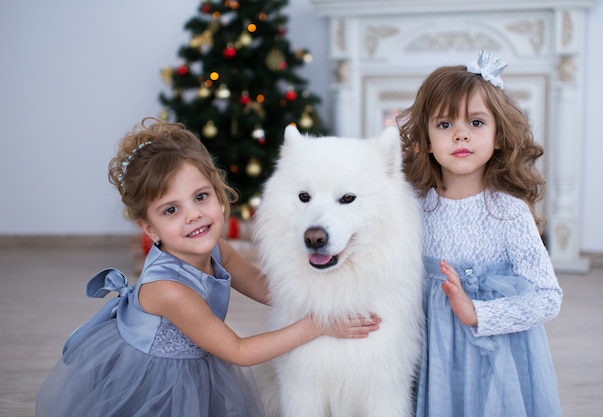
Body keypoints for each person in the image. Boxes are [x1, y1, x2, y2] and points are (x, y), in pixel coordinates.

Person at [36, 118, 381, 417]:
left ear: (219, 194)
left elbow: (268, 288)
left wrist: (332, 296)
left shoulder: (216, 248)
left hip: (196, 366)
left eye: (200, 197)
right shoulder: (168, 290)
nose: (193, 215)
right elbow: (239, 352)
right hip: (158, 383)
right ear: (150, 229)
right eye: (171, 210)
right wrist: (319, 324)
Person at [397, 51, 563, 417]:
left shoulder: (508, 212)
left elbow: (548, 297)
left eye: (475, 122)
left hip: (493, 358)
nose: (460, 134)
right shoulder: (412, 205)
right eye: (444, 125)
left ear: (499, 135)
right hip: (427, 351)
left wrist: (478, 313)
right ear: (424, 139)